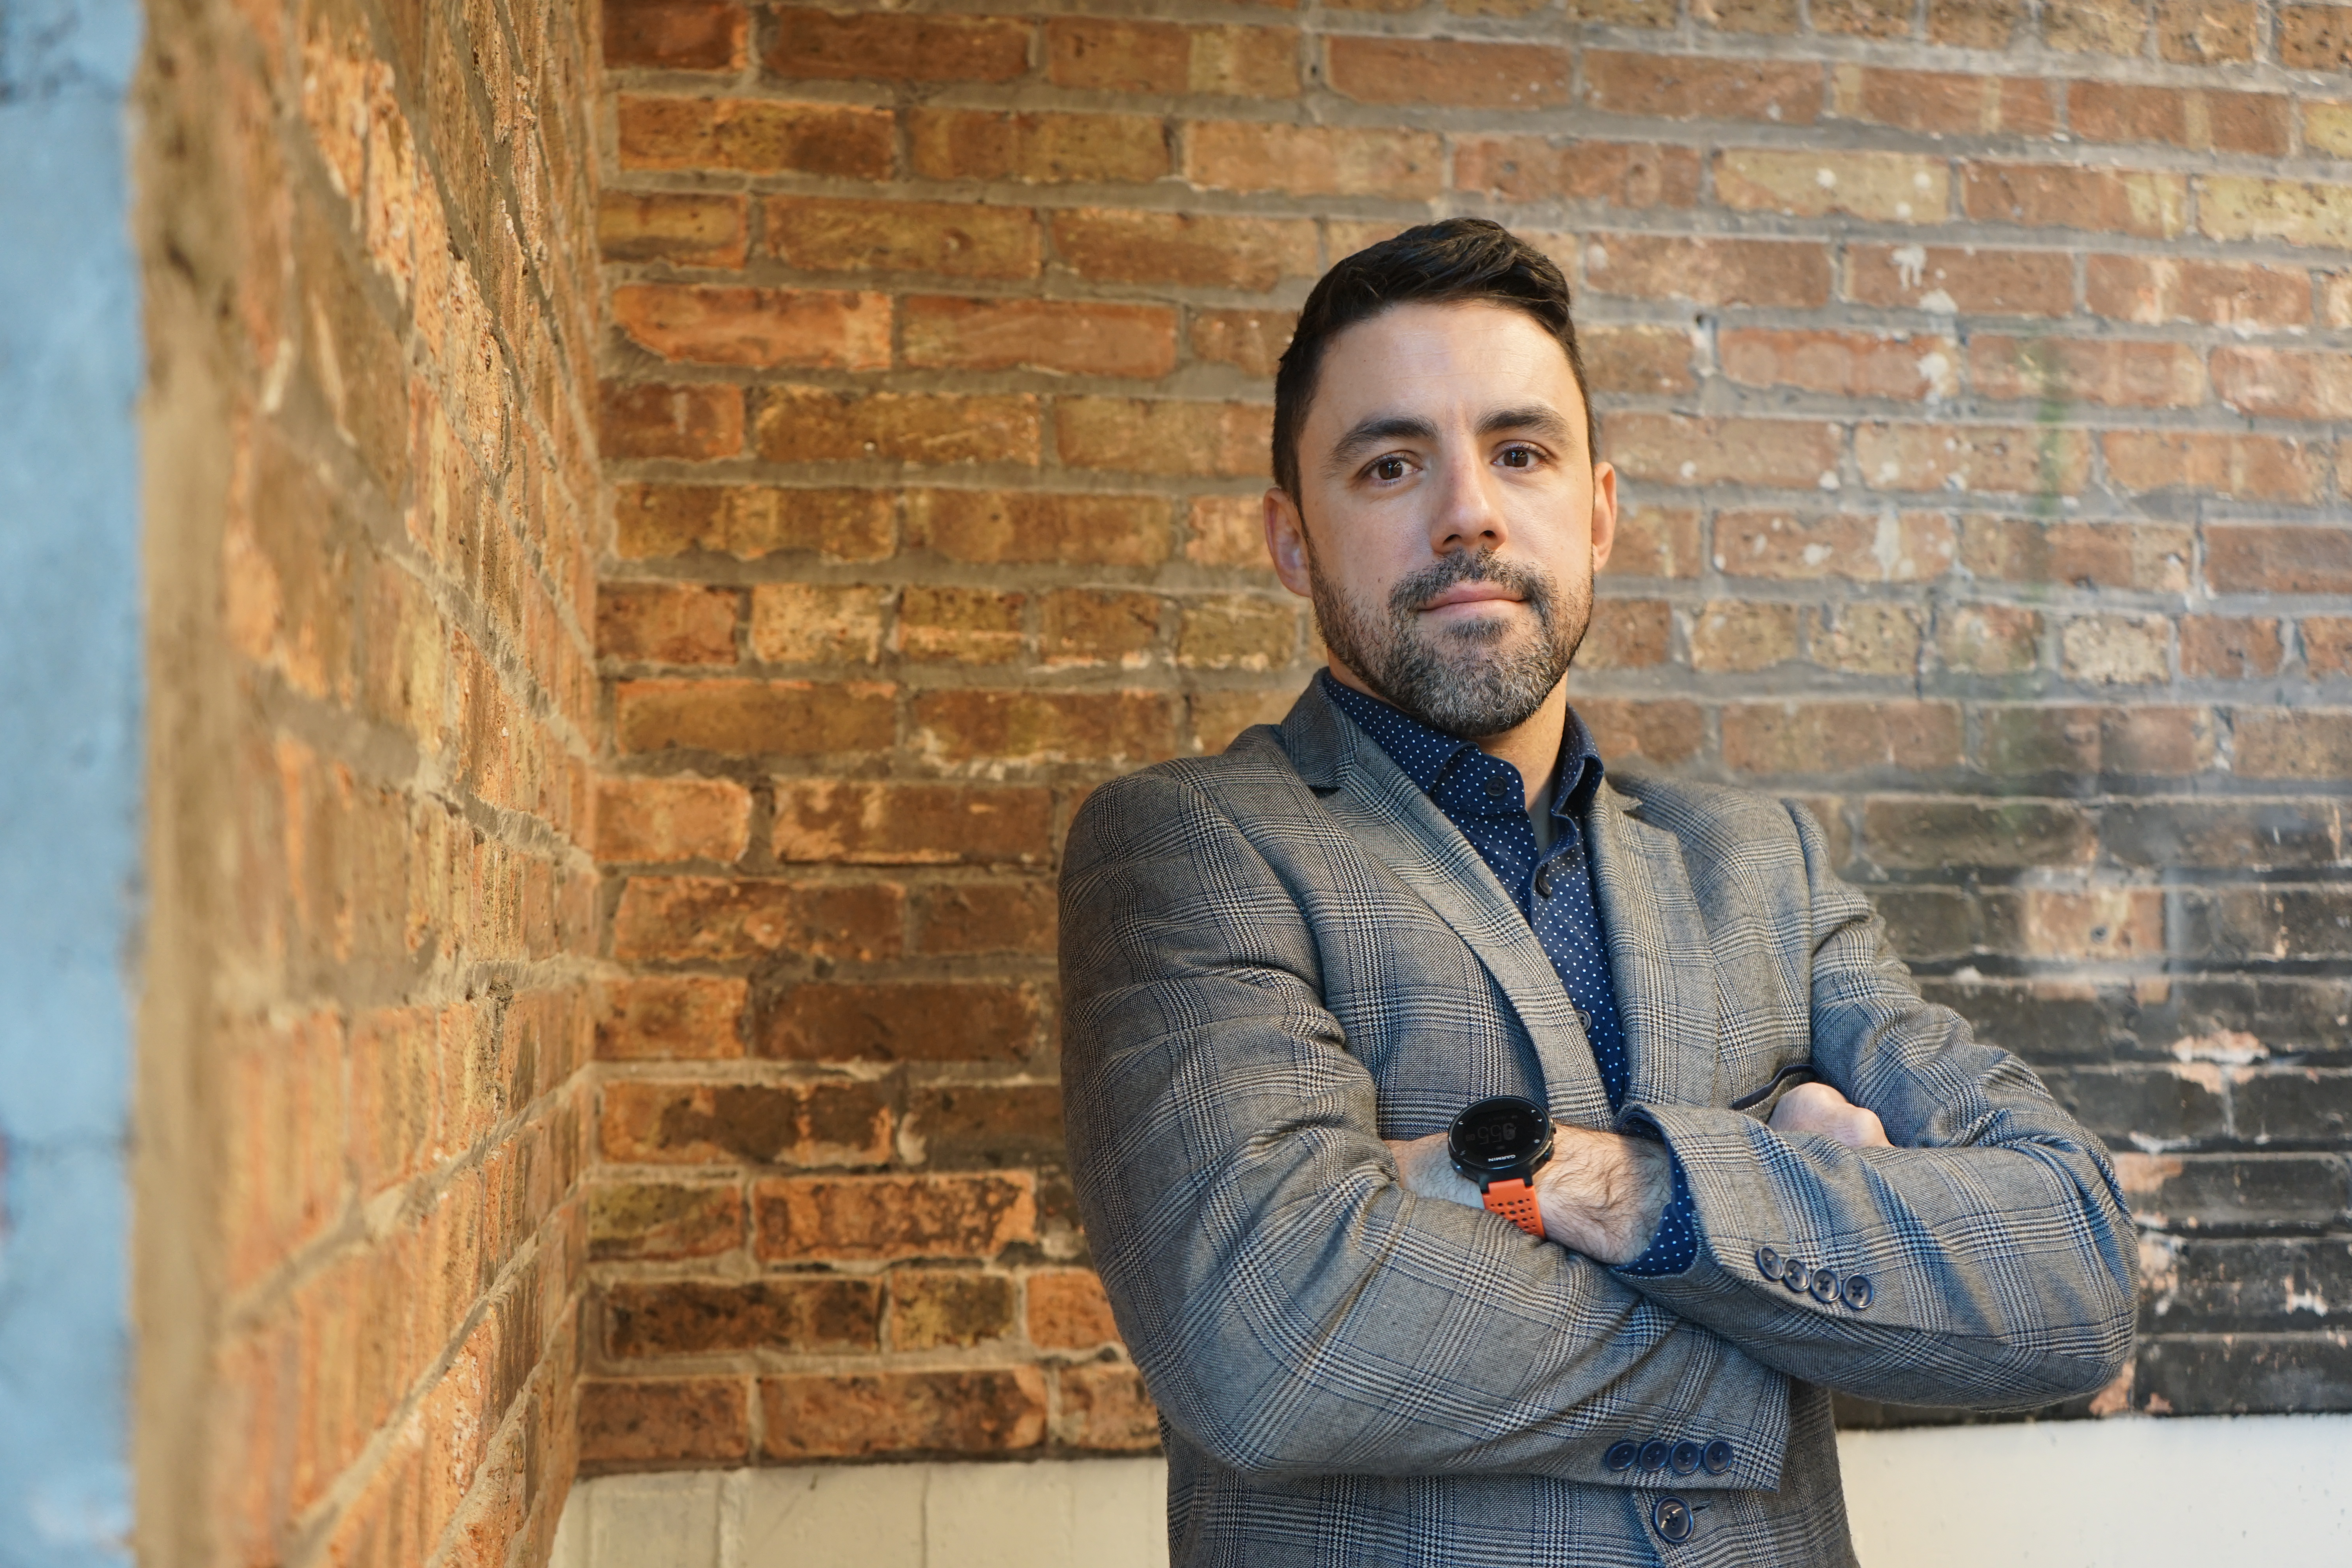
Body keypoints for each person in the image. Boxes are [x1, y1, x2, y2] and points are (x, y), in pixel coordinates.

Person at [1055, 218, 2138, 1565]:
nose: (1470, 510)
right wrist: (1788, 1282)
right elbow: (1269, 1334)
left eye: (1521, 453)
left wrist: (1589, 1184)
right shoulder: (1190, 847)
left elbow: (2076, 1278)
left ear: (1601, 511)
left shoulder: (1762, 868)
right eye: (1391, 463)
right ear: (1292, 540)